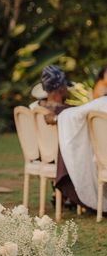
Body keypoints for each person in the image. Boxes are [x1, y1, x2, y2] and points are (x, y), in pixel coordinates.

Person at [37, 65, 83, 208]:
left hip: (42, 155)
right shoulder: (66, 112)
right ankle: (77, 194)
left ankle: (61, 194)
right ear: (61, 88)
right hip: (62, 158)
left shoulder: (36, 107)